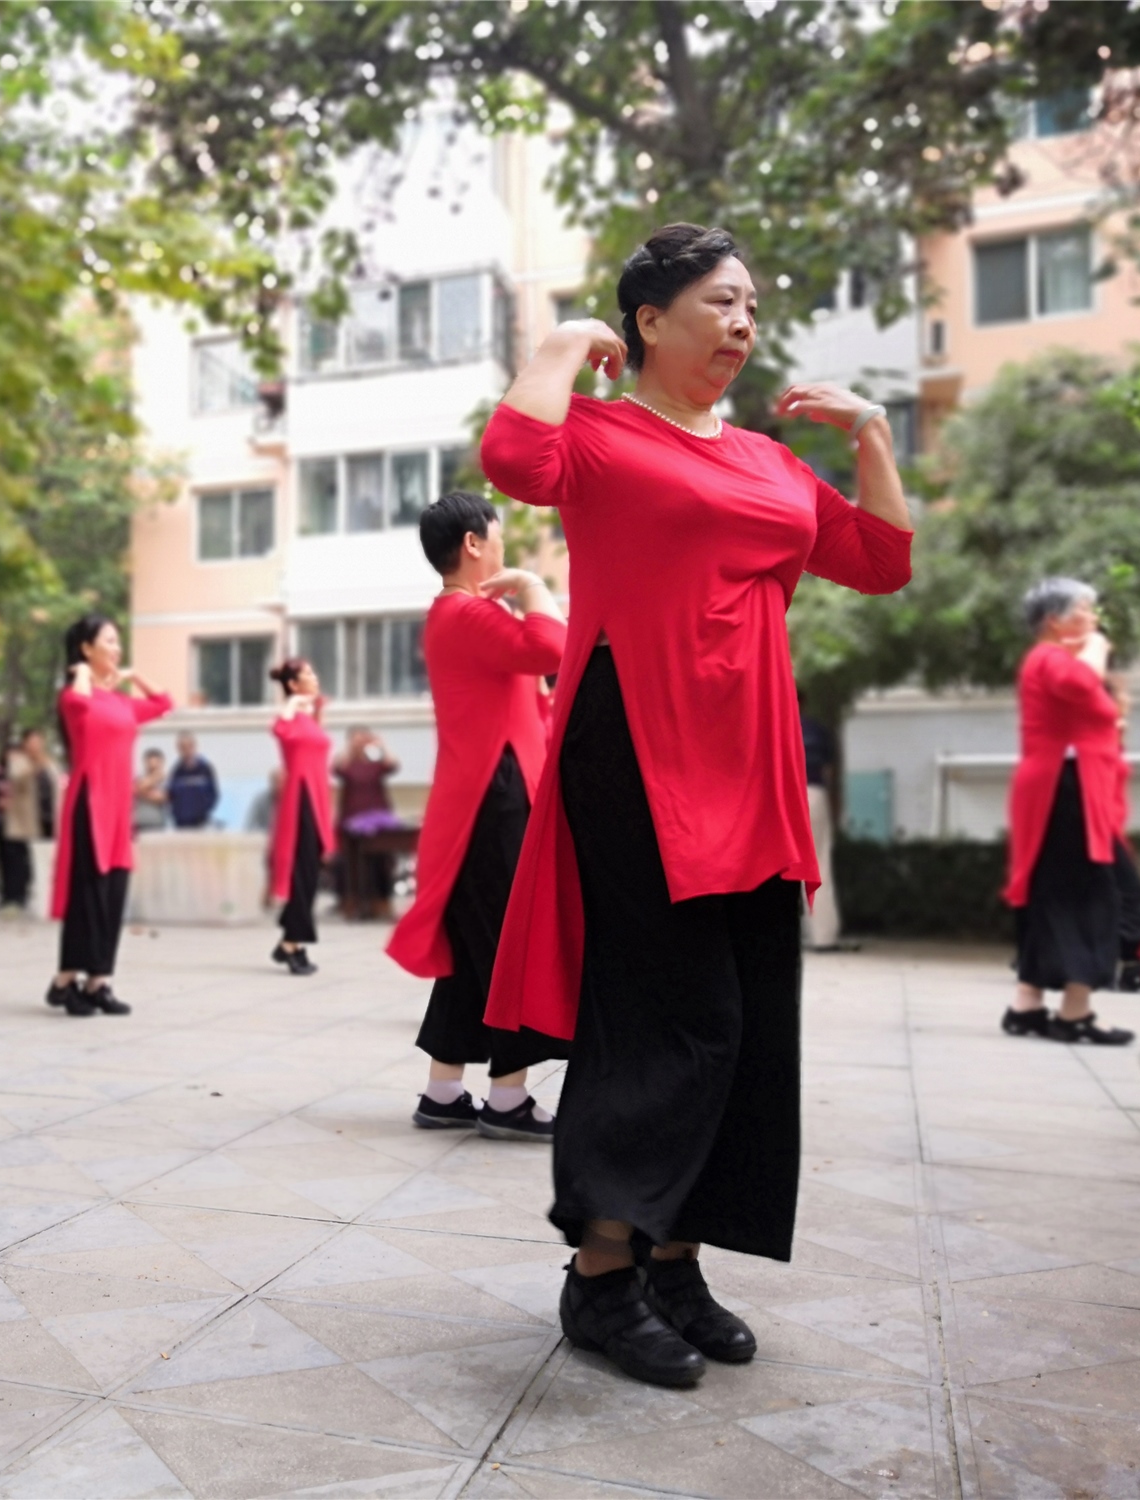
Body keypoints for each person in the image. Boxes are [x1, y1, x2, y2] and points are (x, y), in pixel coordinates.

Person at [480, 223, 914, 1389]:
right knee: (671, 1007)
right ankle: (601, 1274)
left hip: (752, 749)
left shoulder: (772, 467)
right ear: (650, 320)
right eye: (717, 302)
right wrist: (569, 338)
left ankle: (676, 1258)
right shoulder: (602, 437)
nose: (739, 324)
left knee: (749, 1012)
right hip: (635, 740)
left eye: (750, 307)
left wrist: (870, 432)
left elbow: (878, 559)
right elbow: (510, 459)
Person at [388, 490, 567, 1143]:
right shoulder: (465, 613)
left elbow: (539, 682)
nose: (503, 547)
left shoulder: (466, 615)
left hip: (484, 796)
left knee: (471, 950)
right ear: (472, 545)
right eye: (498, 535)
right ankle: (508, 1099)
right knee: (506, 945)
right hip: (495, 798)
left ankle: (443, 1090)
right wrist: (532, 585)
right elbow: (551, 646)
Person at [1001, 579, 1137, 1047]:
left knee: (1054, 892)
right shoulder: (1053, 658)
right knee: (1090, 896)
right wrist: (1096, 648)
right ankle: (1075, 1013)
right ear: (1055, 621)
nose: (1094, 618)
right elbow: (1080, 684)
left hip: (1064, 787)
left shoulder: (1047, 659)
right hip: (1067, 788)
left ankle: (1027, 1004)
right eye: (1085, 609)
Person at [48, 614, 171, 1016]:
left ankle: (98, 981)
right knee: (88, 895)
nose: (116, 649)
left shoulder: (122, 702)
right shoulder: (73, 696)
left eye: (119, 642)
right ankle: (67, 981)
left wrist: (133, 677)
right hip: (89, 802)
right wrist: (83, 673)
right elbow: (80, 704)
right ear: (86, 648)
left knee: (114, 893)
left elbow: (163, 703)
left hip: (120, 810)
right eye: (109, 641)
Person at [269, 658, 334, 976]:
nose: (315, 677)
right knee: (302, 870)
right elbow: (279, 731)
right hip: (300, 800)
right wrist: (292, 702)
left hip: (319, 798)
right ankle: (294, 943)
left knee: (310, 869)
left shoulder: (311, 715)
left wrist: (308, 706)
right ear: (293, 684)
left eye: (313, 670)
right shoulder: (291, 715)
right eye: (308, 674)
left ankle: (287, 938)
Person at [333, 725, 401, 919]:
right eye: (357, 739)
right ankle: (354, 903)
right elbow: (337, 769)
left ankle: (381, 902)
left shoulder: (377, 763)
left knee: (381, 860)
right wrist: (350, 746)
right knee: (352, 863)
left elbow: (393, 765)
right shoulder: (347, 763)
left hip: (378, 818)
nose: (361, 743)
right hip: (352, 819)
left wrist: (381, 745)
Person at [800, 704, 843, 950]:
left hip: (779, 796)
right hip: (813, 791)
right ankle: (823, 936)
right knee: (818, 864)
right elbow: (828, 771)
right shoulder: (817, 730)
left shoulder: (769, 724)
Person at [0, 728, 51, 913]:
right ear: (25, 743)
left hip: (46, 819)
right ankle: (14, 897)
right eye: (33, 741)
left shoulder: (49, 762)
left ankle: (36, 895)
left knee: (38, 861)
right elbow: (17, 778)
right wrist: (35, 766)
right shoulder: (18, 761)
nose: (36, 745)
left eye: (39, 740)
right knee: (16, 862)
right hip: (22, 820)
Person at [167, 733, 220, 829]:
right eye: (183, 747)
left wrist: (204, 810)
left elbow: (214, 793)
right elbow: (171, 795)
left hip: (201, 821)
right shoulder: (176, 771)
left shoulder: (205, 768)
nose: (187, 750)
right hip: (180, 822)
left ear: (195, 746)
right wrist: (177, 813)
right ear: (178, 749)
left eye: (189, 746)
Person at [133, 748, 170, 833]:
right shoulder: (138, 779)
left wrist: (140, 790)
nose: (153, 766)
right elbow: (132, 791)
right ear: (145, 763)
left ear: (162, 763)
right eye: (150, 763)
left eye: (156, 764)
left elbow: (162, 798)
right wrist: (155, 778)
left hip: (158, 824)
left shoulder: (166, 781)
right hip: (138, 824)